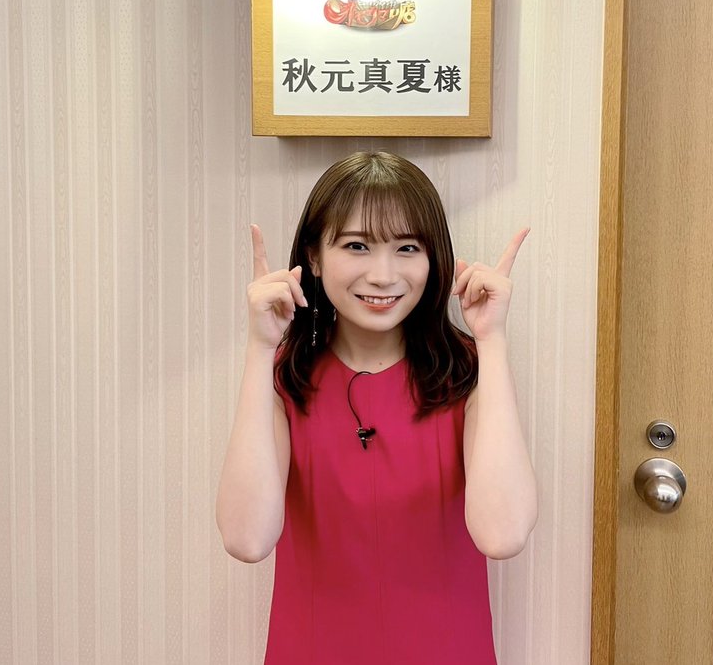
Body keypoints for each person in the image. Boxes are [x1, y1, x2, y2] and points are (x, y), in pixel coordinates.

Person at [216, 151, 537, 664]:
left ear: (433, 259)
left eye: (407, 247)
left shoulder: (468, 372)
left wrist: (492, 339)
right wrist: (259, 347)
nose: (383, 275)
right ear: (314, 257)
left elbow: (503, 534)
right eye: (357, 246)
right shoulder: (284, 375)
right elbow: (247, 539)